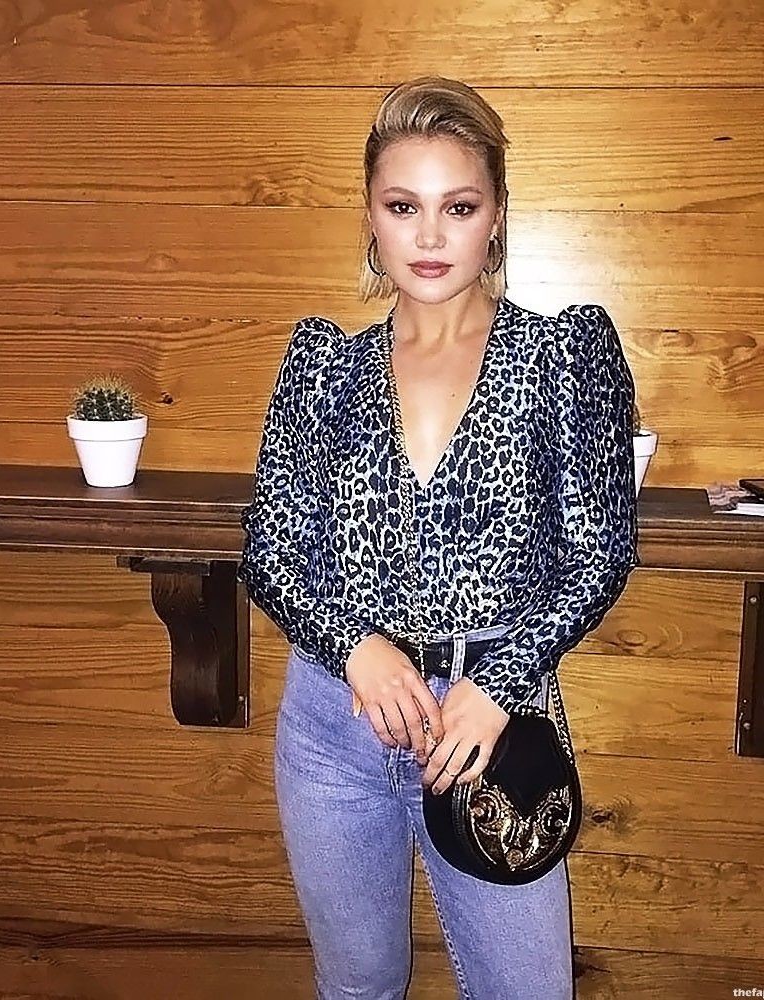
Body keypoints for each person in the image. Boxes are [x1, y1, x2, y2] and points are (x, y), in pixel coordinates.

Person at [238, 75, 640, 1000]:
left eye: (457, 207)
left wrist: (495, 685)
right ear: (369, 217)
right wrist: (355, 649)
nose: (428, 236)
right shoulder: (322, 366)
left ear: (495, 216)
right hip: (335, 721)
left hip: (489, 724)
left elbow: (598, 553)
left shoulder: (561, 356)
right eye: (402, 206)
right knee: (358, 986)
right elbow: (271, 550)